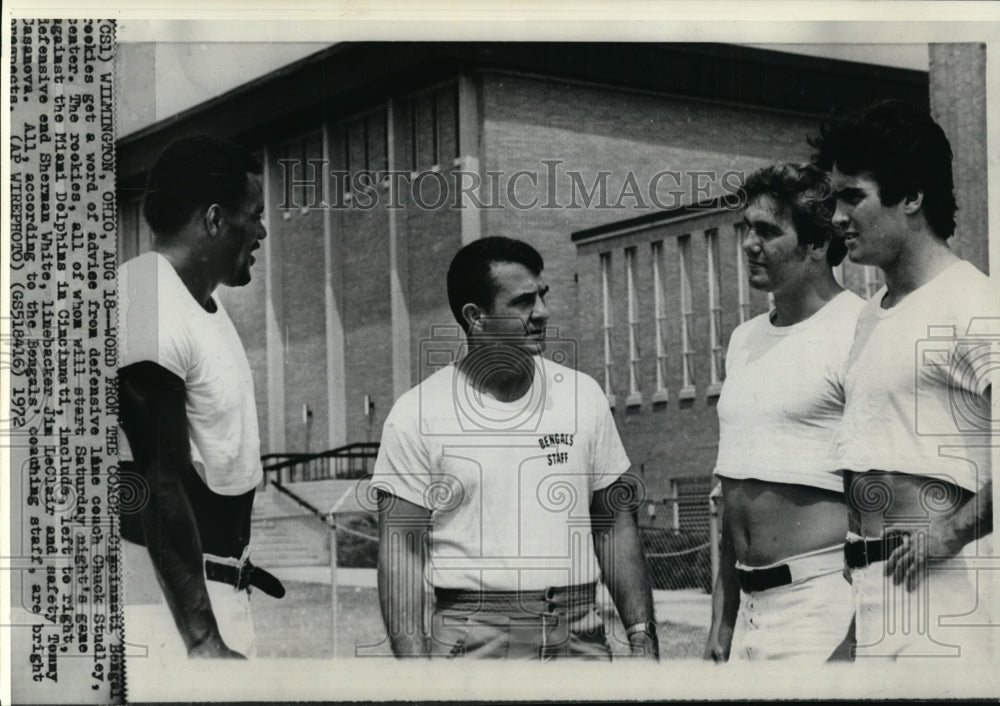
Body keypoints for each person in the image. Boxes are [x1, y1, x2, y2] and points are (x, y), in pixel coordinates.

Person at [372, 236, 658, 660]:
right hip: (475, 640)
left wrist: (642, 634)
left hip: (580, 635)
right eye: (523, 302)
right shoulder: (417, 414)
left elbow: (613, 522)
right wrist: (415, 673)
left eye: (542, 295)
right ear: (476, 317)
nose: (542, 312)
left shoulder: (582, 396)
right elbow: (401, 551)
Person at [813, 99, 997, 659]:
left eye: (853, 197)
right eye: (833, 198)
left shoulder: (973, 303)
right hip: (874, 597)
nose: (837, 217)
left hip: (950, 601)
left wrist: (951, 533)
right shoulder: (872, 314)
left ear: (913, 196)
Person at [118, 134, 282, 662]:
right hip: (170, 611)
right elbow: (157, 478)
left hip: (219, 592)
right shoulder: (148, 296)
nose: (260, 231)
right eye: (253, 214)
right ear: (214, 219)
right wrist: (203, 640)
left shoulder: (199, 306)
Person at [704, 163, 863, 662]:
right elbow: (733, 490)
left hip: (822, 605)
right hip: (748, 606)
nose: (750, 243)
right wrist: (721, 621)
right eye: (746, 228)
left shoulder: (862, 329)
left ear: (817, 244)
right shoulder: (743, 340)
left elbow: (884, 502)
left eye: (768, 231)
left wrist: (858, 633)